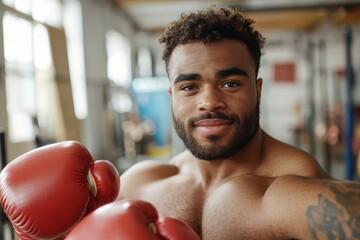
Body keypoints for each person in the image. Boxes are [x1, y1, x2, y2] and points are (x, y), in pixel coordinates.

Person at [117, 6, 360, 240]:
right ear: (172, 97)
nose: (210, 102)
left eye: (230, 83)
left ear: (258, 90)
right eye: (189, 87)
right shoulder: (142, 183)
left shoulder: (297, 183)